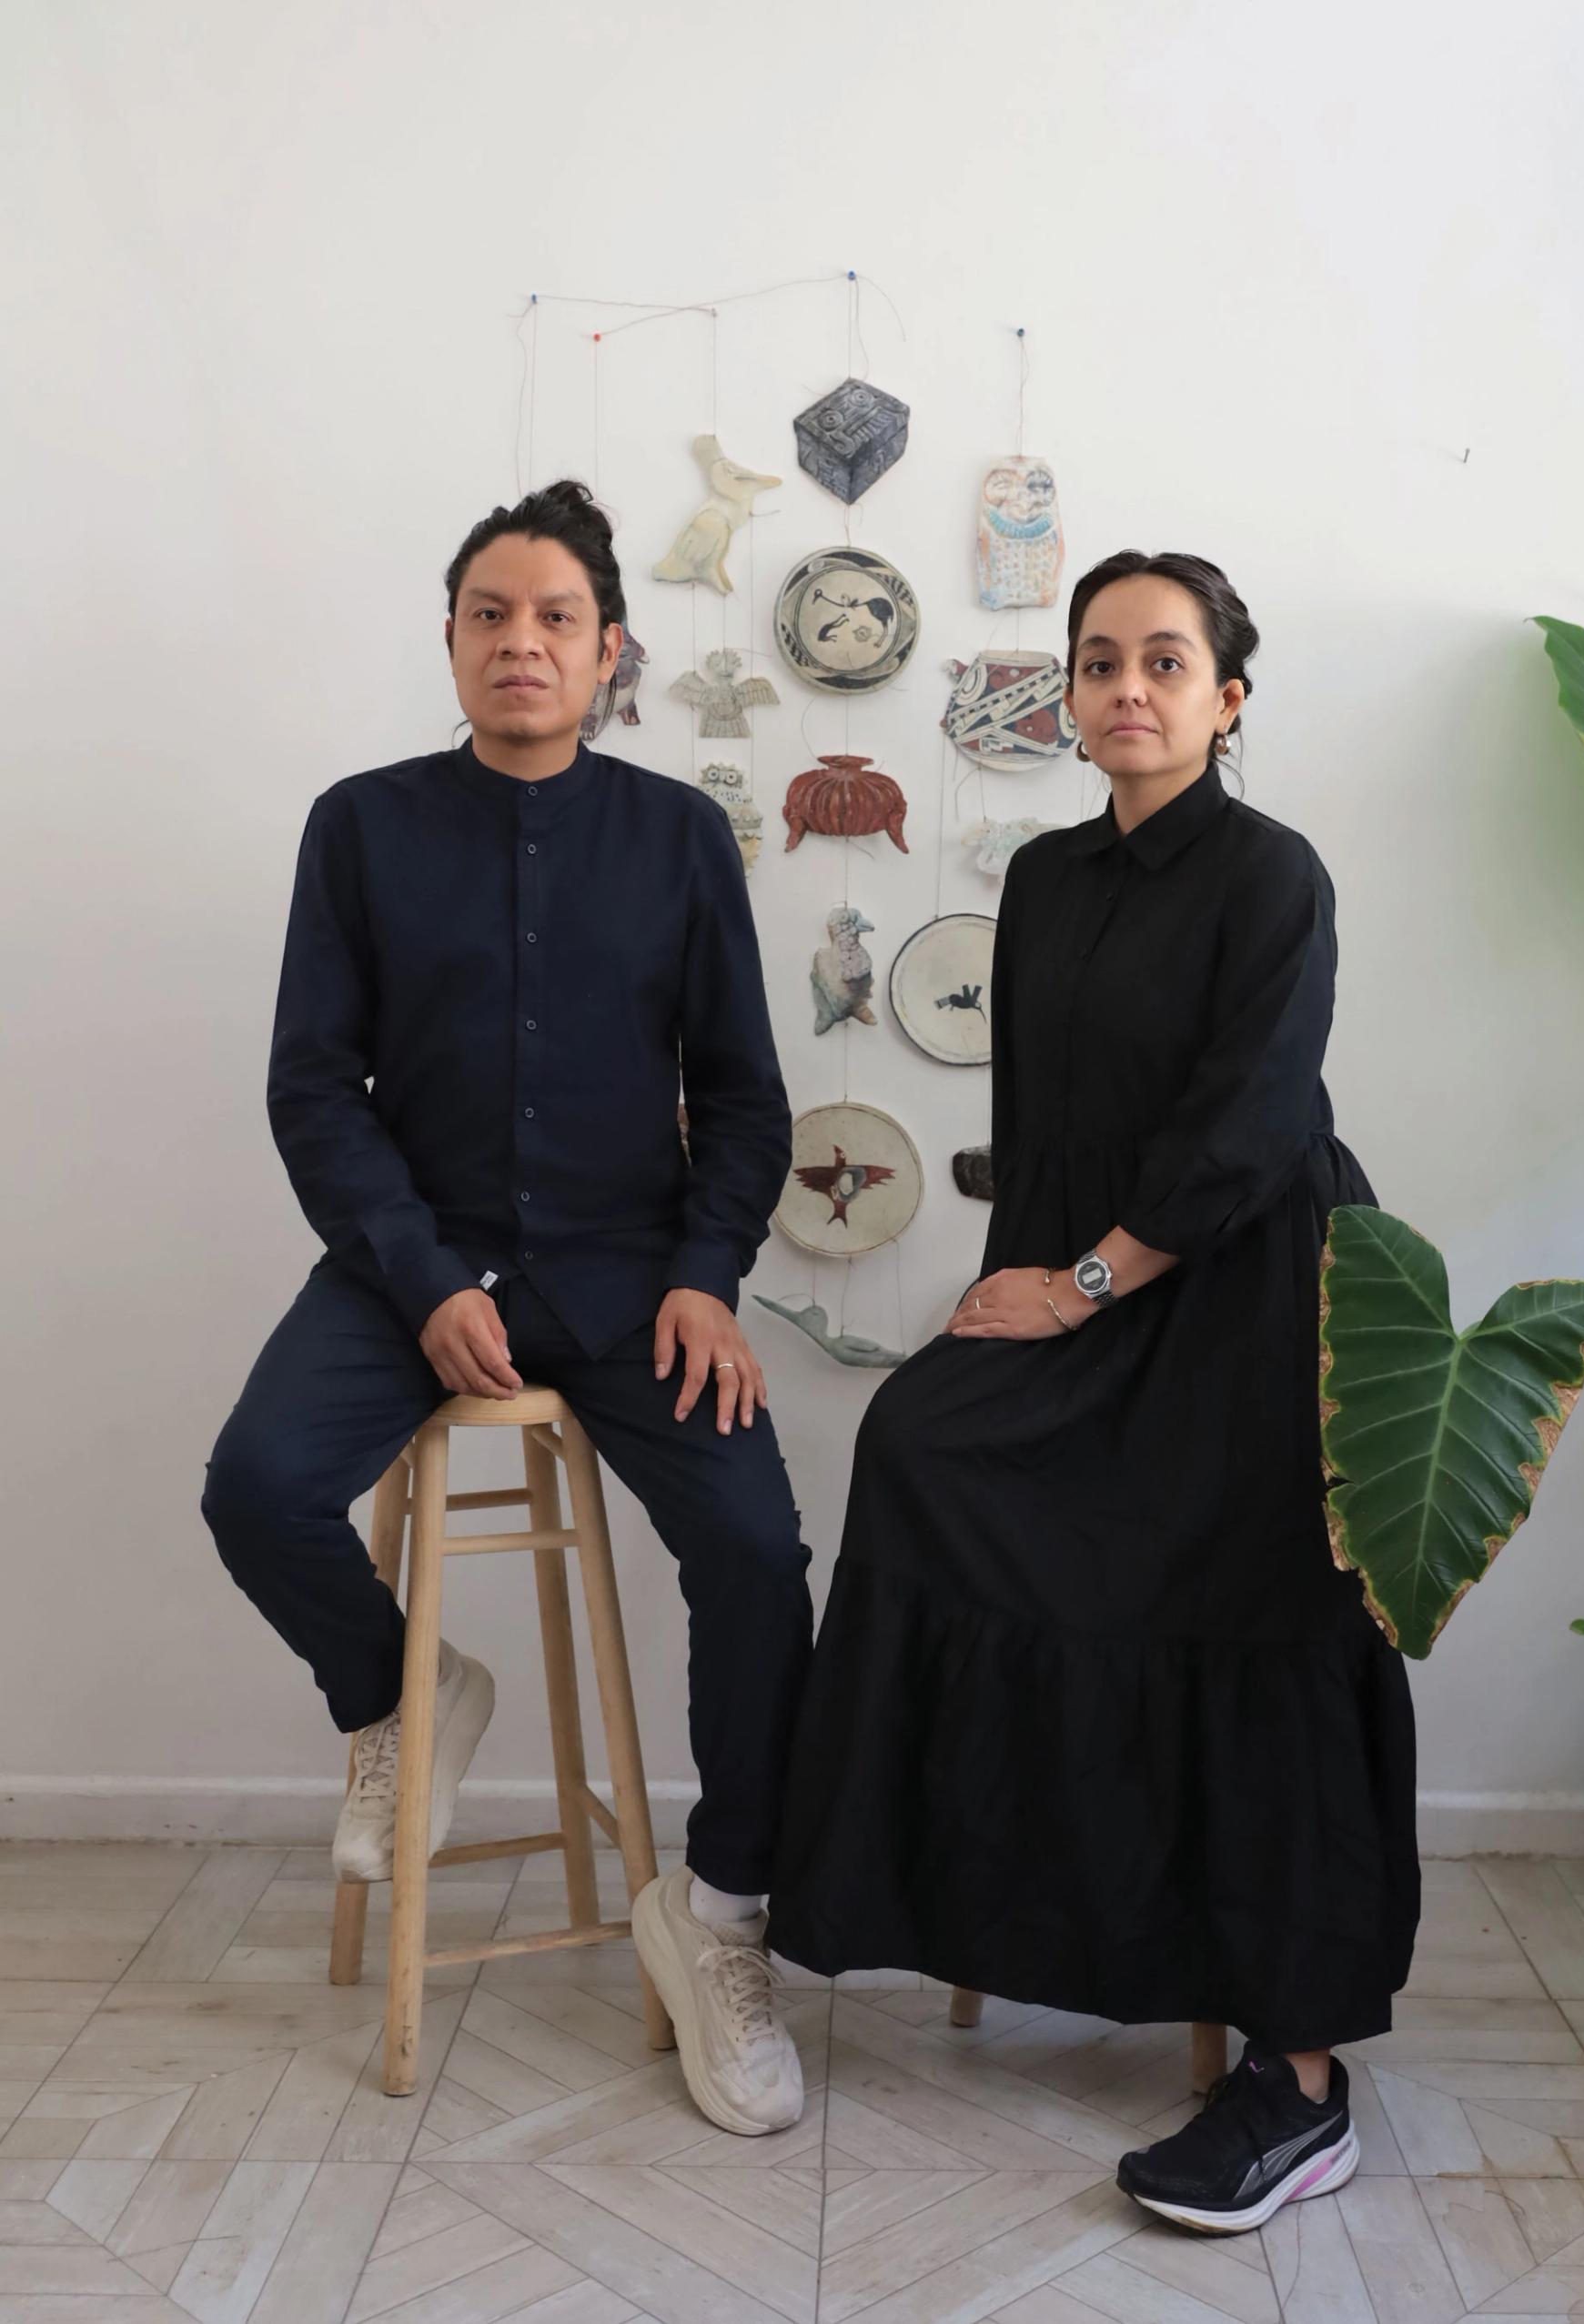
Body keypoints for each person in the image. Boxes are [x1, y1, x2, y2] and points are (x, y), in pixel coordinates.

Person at [765, 550, 1419, 2232]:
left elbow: (1251, 1124)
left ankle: (1300, 2081)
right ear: (1067, 693)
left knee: (1246, 1598)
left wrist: (1088, 1286)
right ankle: (989, 1909)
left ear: (1228, 698)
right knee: (921, 1450)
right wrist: (1024, 1292)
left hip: (1251, 1294)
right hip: (1092, 1283)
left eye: (1166, 661)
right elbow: (1045, 1127)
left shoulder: (1274, 875)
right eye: (1100, 659)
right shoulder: (1049, 880)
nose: (1128, 687)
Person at [201, 480, 812, 2138]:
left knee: (758, 1553)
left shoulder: (680, 839)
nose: (520, 643)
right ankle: (402, 1702)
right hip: (411, 1265)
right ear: (452, 639)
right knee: (254, 1486)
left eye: (556, 619)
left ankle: (722, 1914)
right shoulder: (361, 826)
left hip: (631, 1281)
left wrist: (706, 1277)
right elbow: (314, 1089)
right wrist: (422, 1279)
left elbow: (743, 1102)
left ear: (612, 652)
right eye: (491, 615)